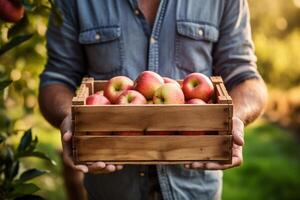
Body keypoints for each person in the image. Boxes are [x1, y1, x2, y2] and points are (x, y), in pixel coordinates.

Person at [38, 0, 268, 199]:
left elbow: (246, 77)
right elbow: (56, 79)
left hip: (194, 191)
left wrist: (233, 117)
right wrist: (70, 116)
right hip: (110, 191)